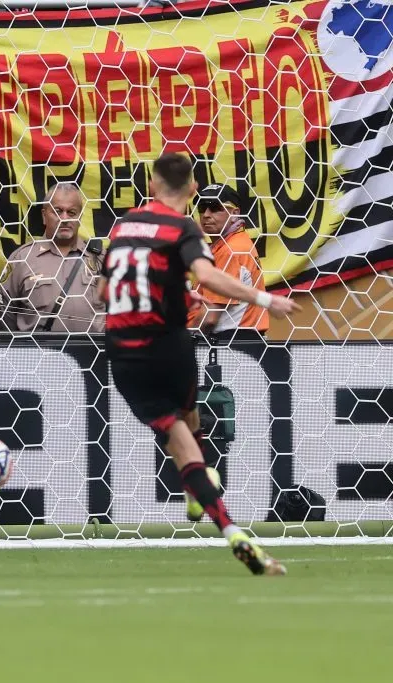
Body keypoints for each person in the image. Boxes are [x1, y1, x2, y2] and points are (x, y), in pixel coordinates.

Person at [98, 153, 299, 576]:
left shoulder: (123, 228)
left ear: (151, 186)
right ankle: (222, 517)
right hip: (169, 345)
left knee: (176, 435)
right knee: (188, 419)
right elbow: (206, 277)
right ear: (191, 190)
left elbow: (104, 291)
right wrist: (265, 298)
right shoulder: (182, 228)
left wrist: (169, 291)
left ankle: (218, 517)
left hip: (124, 349)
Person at [0, 181, 105, 333]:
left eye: (71, 212)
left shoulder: (100, 258)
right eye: (57, 211)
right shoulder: (22, 259)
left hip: (92, 347)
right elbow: (3, 317)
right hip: (38, 347)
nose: (64, 218)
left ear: (80, 217)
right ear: (44, 215)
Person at [187, 183, 269, 339]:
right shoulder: (235, 242)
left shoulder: (230, 250)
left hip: (230, 341)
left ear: (234, 213)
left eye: (215, 207)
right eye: (202, 208)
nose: (206, 214)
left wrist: (182, 340)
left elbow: (210, 316)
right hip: (240, 340)